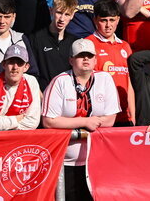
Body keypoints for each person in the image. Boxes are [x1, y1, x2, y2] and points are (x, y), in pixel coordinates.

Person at [42, 38, 120, 201]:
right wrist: (85, 122)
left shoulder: (105, 79)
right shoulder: (60, 81)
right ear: (71, 60)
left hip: (96, 160)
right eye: (80, 56)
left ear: (95, 60)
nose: (85, 59)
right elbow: (49, 121)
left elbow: (111, 119)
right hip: (65, 162)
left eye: (89, 56)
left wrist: (71, 123)